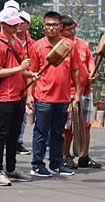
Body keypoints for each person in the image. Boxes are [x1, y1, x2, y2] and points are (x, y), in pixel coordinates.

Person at [27, 11, 81, 177]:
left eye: (54, 25)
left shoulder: (69, 46)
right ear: (44, 27)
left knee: (58, 133)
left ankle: (57, 163)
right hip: (43, 97)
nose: (51, 28)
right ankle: (37, 165)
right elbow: (32, 72)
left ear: (60, 27)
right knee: (41, 133)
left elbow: (75, 70)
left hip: (63, 98)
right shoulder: (38, 46)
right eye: (48, 25)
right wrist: (30, 95)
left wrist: (77, 92)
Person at [60, 16, 101, 169]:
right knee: (69, 127)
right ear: (61, 30)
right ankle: (65, 156)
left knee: (86, 125)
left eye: (73, 28)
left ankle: (84, 156)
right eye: (68, 29)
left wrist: (92, 72)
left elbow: (90, 60)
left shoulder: (82, 44)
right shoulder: (62, 46)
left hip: (86, 90)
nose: (72, 31)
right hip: (70, 92)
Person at [0, 7, 33, 186]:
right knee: (1, 135)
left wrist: (30, 73)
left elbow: (20, 70)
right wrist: (20, 69)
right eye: (12, 25)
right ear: (2, 24)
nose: (15, 28)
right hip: (3, 97)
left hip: (18, 96)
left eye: (16, 24)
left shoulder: (17, 43)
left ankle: (11, 168)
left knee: (14, 135)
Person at [15, 10, 34, 155]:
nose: (20, 23)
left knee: (20, 117)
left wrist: (30, 94)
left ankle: (18, 142)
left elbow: (32, 69)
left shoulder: (32, 44)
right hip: (7, 87)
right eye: (18, 20)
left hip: (24, 86)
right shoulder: (7, 41)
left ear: (28, 25)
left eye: (23, 21)